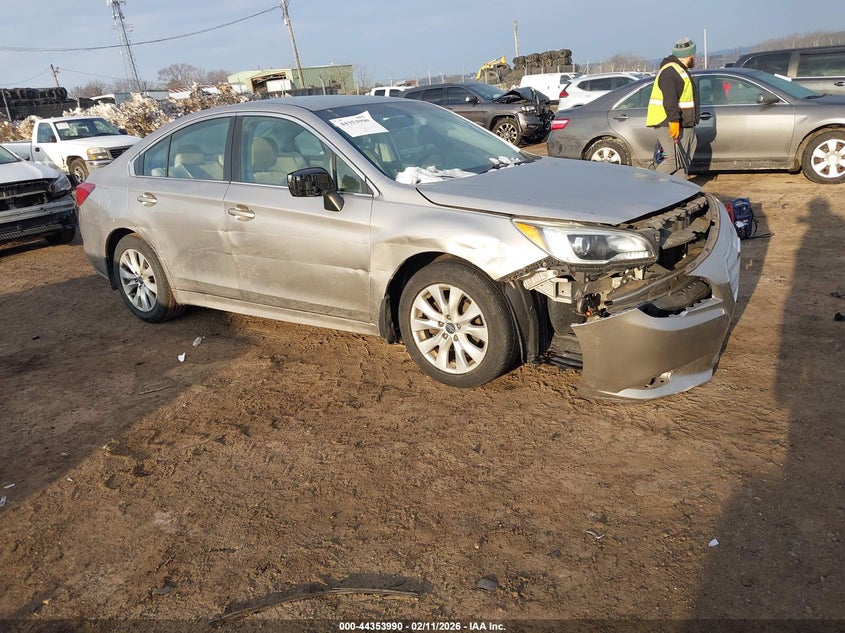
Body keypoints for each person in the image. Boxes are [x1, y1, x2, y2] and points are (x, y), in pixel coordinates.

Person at [647, 37, 700, 177]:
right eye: (693, 55)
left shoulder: (679, 70)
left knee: (682, 159)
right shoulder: (670, 72)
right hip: (666, 121)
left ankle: (678, 192)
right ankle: (648, 187)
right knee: (674, 160)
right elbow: (670, 101)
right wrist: (674, 122)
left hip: (682, 122)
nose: (694, 57)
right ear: (689, 55)